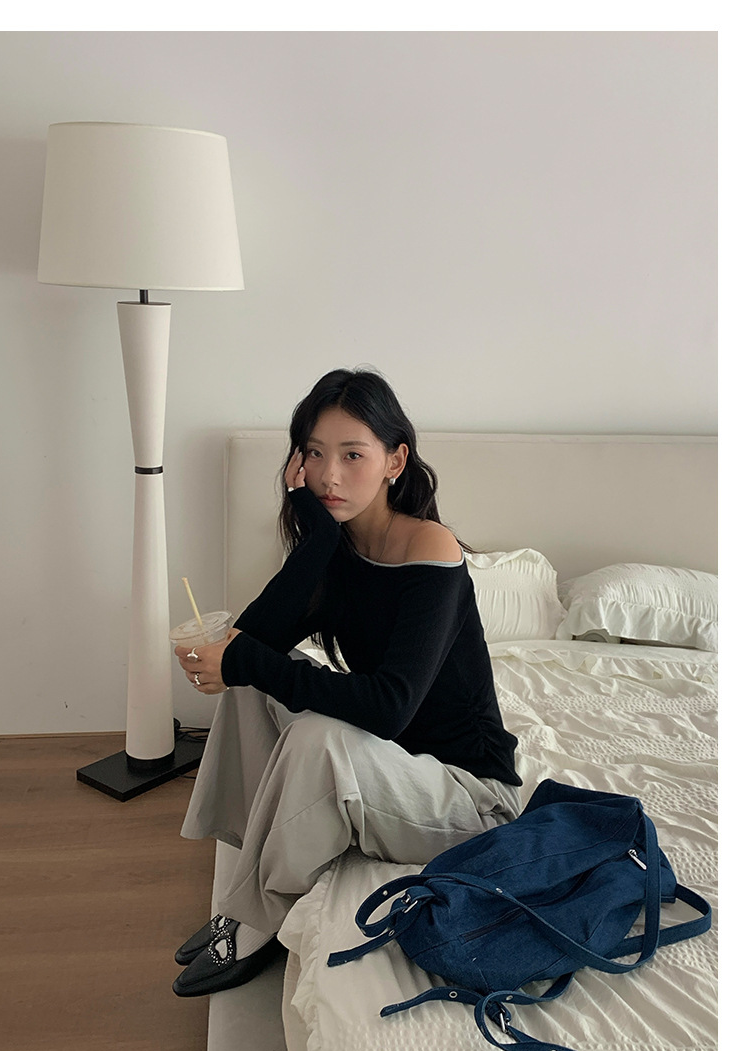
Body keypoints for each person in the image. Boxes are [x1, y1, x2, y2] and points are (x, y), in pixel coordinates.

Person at [171, 368, 522, 997]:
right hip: (389, 764)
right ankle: (249, 861)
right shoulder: (335, 550)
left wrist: (243, 659)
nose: (329, 475)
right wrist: (318, 537)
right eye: (314, 454)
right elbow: (253, 644)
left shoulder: (431, 548)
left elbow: (389, 707)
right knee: (257, 679)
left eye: (353, 455)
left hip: (464, 796)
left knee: (315, 736)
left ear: (395, 461)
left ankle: (257, 918)